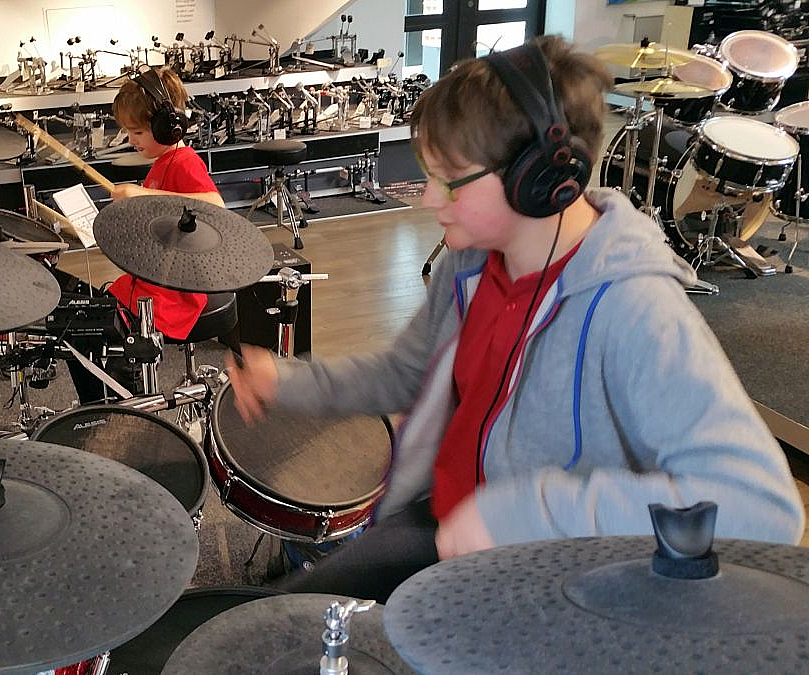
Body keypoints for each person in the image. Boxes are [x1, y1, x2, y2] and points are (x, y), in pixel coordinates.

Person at [227, 35, 805, 602]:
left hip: (540, 578)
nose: (428, 199)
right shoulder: (470, 263)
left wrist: (527, 514)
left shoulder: (634, 308)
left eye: (448, 179)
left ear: (539, 178)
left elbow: (760, 505)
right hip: (442, 525)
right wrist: (288, 382)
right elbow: (406, 373)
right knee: (280, 622)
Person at [107, 66, 224, 342]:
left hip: (176, 291)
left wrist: (143, 195)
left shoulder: (185, 162)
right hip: (155, 276)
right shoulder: (162, 162)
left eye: (137, 131)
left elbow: (216, 205)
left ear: (166, 127)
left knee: (106, 328)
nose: (131, 140)